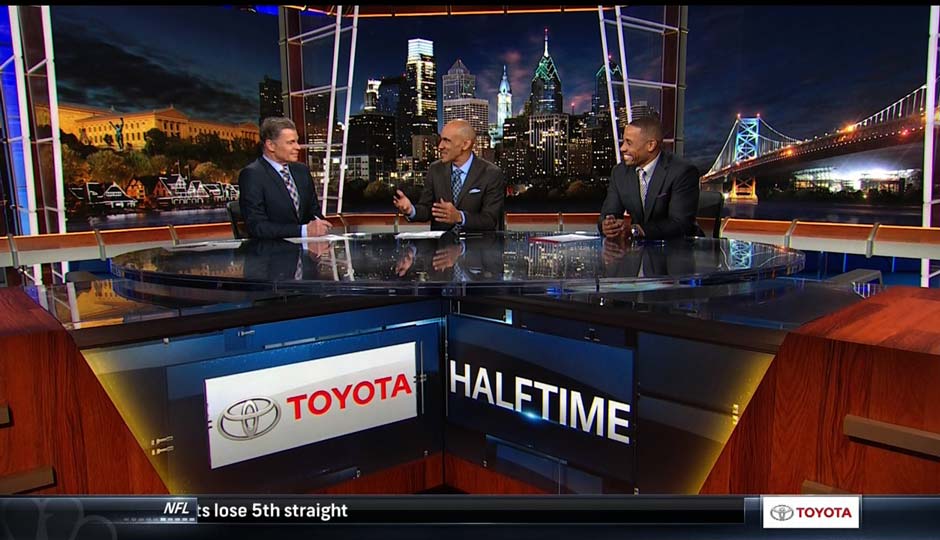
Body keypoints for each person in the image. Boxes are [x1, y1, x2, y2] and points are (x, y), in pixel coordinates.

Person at [598, 116, 701, 241]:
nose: (622, 148)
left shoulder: (682, 172)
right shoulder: (619, 172)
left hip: (679, 250)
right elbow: (609, 213)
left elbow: (680, 224)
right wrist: (608, 225)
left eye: (629, 143)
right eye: (623, 142)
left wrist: (635, 230)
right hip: (639, 251)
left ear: (651, 145)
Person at [392, 119, 505, 232]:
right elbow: (427, 209)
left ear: (465, 144)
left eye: (446, 141)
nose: (440, 146)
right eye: (441, 140)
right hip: (441, 246)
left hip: (476, 246)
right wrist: (411, 210)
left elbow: (490, 220)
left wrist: (460, 217)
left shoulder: (491, 173)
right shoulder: (435, 169)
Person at [238, 117, 332, 239]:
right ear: (271, 145)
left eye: (297, 141)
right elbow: (257, 227)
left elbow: (314, 213)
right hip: (271, 253)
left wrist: (320, 226)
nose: (298, 147)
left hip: (308, 252)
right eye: (290, 142)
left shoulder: (301, 171)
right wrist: (302, 230)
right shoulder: (252, 175)